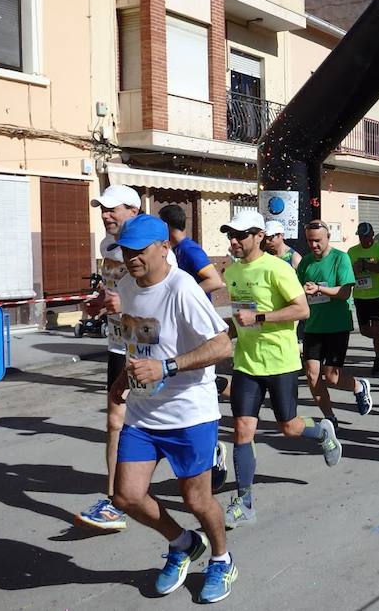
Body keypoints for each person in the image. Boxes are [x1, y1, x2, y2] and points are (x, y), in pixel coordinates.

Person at [106, 214, 237, 603]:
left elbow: (222, 345)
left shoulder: (182, 288)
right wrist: (121, 381)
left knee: (197, 500)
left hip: (188, 414)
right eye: (127, 251)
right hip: (144, 413)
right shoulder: (127, 285)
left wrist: (167, 366)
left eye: (140, 251)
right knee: (125, 497)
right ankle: (182, 544)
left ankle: (222, 559)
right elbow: (139, 340)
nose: (132, 259)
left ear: (164, 247)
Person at [220, 211, 341, 530]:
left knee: (289, 427)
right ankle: (244, 501)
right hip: (246, 363)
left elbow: (301, 310)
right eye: (230, 235)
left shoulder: (278, 269)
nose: (234, 241)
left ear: (259, 235)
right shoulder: (232, 271)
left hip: (281, 362)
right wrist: (224, 334)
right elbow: (238, 317)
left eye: (240, 235)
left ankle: (322, 430)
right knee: (242, 430)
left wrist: (259, 318)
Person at [77, 185, 179, 531]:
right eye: (102, 209)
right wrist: (100, 303)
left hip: (150, 344)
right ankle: (113, 501)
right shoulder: (107, 246)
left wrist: (127, 305)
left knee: (158, 416)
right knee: (114, 421)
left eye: (112, 209)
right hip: (118, 343)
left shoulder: (157, 250)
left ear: (133, 210)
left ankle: (204, 448)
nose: (105, 215)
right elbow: (113, 292)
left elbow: (164, 301)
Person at [296, 222, 373, 425]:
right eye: (310, 241)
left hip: (337, 325)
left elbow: (345, 292)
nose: (313, 245)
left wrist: (319, 290)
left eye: (317, 240)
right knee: (312, 375)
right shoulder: (305, 263)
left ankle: (358, 386)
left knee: (331, 377)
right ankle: (330, 418)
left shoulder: (341, 258)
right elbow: (297, 291)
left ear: (328, 237)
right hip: (313, 325)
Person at [347, 222, 379, 374]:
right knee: (365, 330)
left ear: (372, 235)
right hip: (360, 295)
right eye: (361, 237)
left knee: (376, 326)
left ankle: (377, 360)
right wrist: (356, 269)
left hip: (376, 295)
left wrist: (365, 265)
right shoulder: (352, 251)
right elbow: (349, 272)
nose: (364, 239)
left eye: (366, 236)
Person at [159, 205, 225, 299]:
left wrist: (180, 296)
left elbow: (215, 282)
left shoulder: (190, 249)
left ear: (165, 226)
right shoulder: (174, 249)